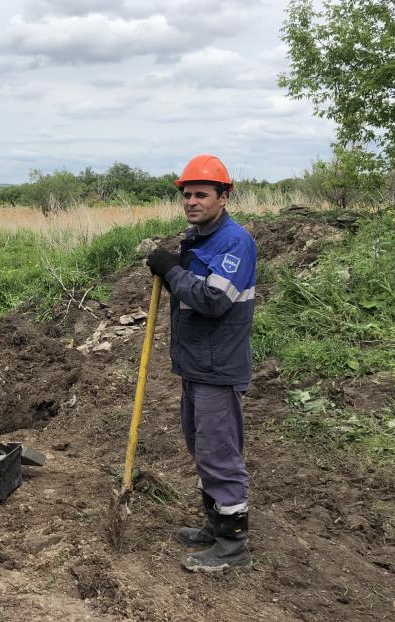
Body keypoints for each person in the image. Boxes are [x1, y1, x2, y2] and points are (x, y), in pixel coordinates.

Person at [146, 154, 257, 573]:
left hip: (218, 366)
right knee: (200, 446)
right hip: (196, 365)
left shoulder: (234, 242)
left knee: (218, 452)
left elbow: (214, 300)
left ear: (223, 197)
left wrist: (172, 273)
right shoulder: (196, 239)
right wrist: (174, 267)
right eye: (187, 194)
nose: (192, 201)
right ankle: (215, 524)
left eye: (201, 194)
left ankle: (232, 546)